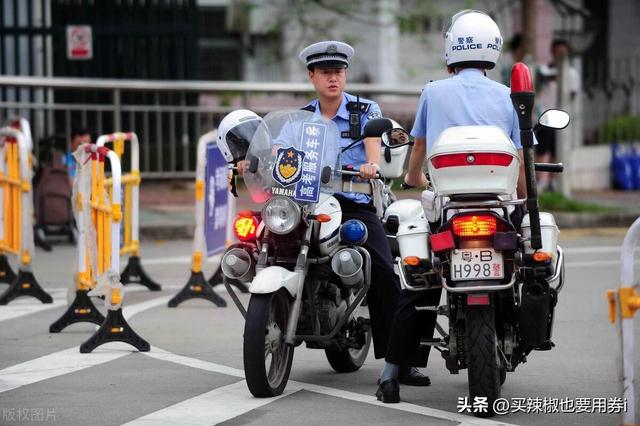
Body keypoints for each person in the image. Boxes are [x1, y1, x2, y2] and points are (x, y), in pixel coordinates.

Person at [377, 9, 527, 403]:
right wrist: (521, 201)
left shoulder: (433, 91)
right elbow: (518, 155)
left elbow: (420, 147)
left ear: (450, 51)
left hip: (446, 206)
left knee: (419, 280)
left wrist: (412, 180)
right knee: (530, 264)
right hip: (498, 205)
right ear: (492, 50)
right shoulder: (506, 96)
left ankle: (391, 374)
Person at [297, 41, 430, 387]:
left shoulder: (365, 110)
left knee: (384, 271)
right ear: (311, 76)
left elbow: (374, 146)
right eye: (325, 72)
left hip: (354, 202)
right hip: (309, 205)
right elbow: (280, 155)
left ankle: (401, 361)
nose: (333, 78)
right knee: (271, 247)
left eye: (338, 72)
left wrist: (372, 165)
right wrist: (251, 164)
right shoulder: (301, 119)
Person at [535, 39, 580, 192]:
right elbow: (538, 88)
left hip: (561, 117)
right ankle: (540, 180)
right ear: (552, 52)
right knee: (541, 150)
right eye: (558, 51)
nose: (561, 54)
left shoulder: (572, 74)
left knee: (556, 151)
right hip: (545, 116)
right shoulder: (544, 71)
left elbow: (572, 95)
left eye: (564, 51)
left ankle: (552, 182)